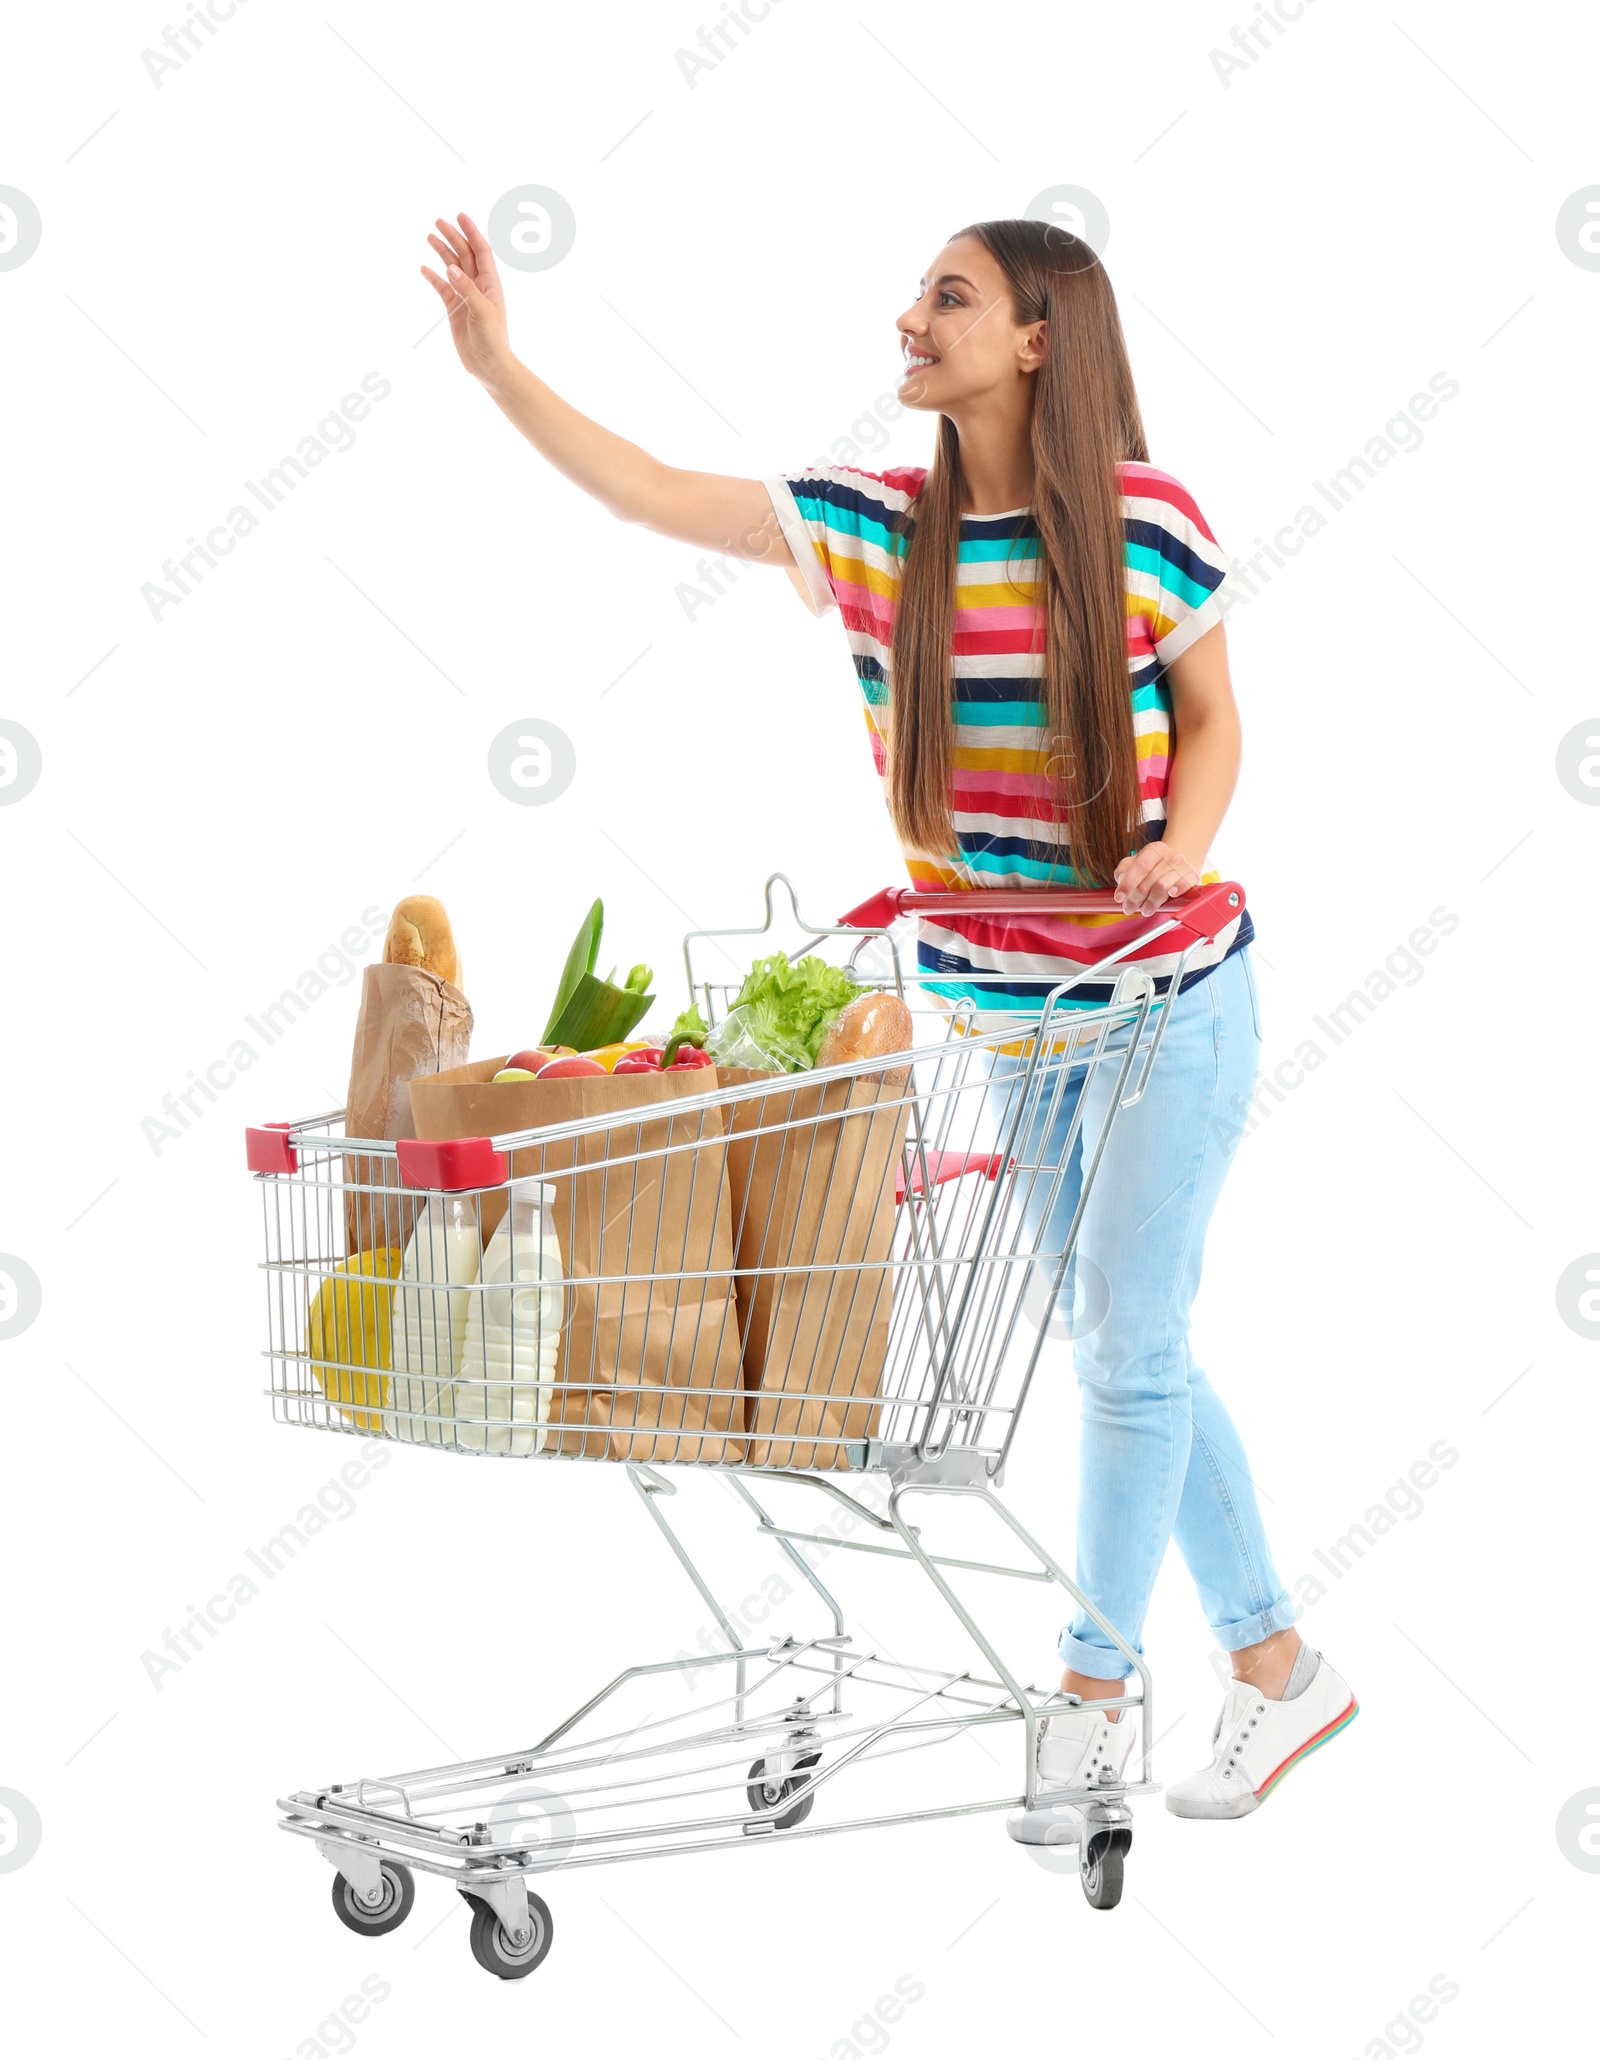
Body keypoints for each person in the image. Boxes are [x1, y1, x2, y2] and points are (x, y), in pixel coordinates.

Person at [420, 210, 1357, 1819]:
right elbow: (655, 487)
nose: (908, 316)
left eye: (950, 294)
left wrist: (1170, 853)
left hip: (1174, 997)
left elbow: (1212, 723)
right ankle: (1280, 1673)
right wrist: (503, 367)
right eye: (918, 292)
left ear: (1040, 336)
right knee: (1131, 1346)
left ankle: (1090, 1691)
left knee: (1126, 1348)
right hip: (1016, 1019)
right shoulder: (875, 532)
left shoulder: (1146, 522)